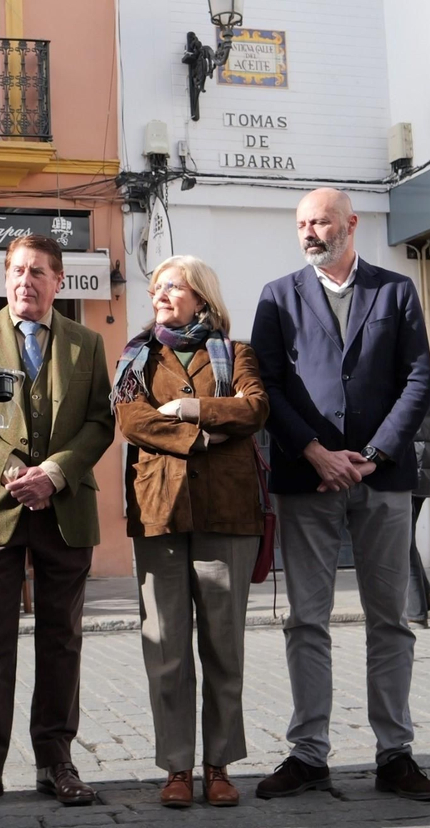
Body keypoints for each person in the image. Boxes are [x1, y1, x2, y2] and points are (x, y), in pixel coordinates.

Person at [249, 188, 430, 802]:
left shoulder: (396, 290)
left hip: (380, 477)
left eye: (320, 221)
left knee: (391, 619)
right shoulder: (278, 296)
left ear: (350, 225)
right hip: (308, 477)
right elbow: (267, 386)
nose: (309, 231)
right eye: (302, 223)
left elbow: (418, 379)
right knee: (307, 619)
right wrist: (314, 451)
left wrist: (375, 454)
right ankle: (308, 754)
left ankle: (395, 754)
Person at [0, 234, 115, 810]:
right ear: (5, 277)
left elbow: (99, 422)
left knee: (61, 637)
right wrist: (13, 468)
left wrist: (56, 473)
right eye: (18, 270)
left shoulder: (87, 343)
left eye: (39, 271)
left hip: (64, 507)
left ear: (59, 282)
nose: (27, 280)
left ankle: (54, 760)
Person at [112, 255, 269, 809]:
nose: (160, 294)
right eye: (156, 287)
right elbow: (130, 419)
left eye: (172, 286)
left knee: (224, 647)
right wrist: (198, 436)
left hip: (228, 512)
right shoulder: (137, 354)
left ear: (200, 296)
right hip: (159, 511)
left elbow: (254, 409)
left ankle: (219, 765)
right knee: (167, 648)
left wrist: (191, 405)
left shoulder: (236, 352)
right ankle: (177, 766)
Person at [406, 403, 430, 627]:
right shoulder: (429, 401)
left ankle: (416, 613)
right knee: (406, 539)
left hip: (410, 473)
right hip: (423, 472)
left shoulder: (405, 395)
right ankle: (425, 599)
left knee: (402, 543)